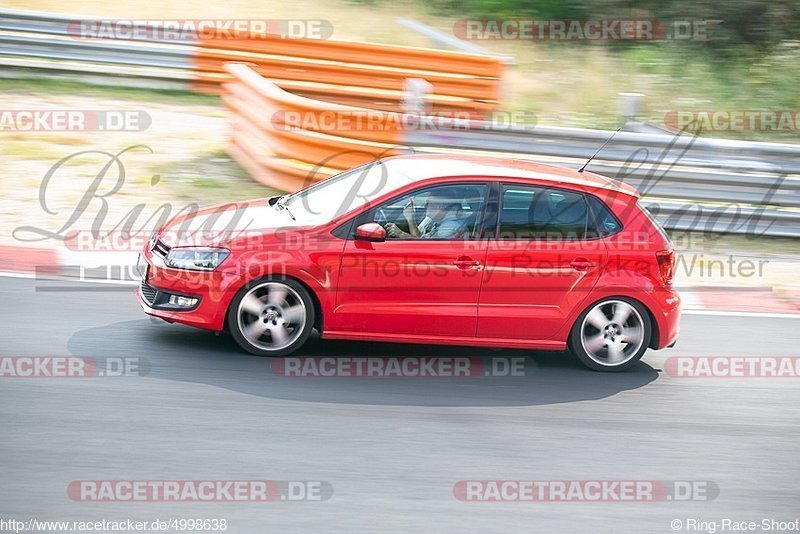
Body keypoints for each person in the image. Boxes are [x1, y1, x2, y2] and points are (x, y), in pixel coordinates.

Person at [385, 190, 467, 239]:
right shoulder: (434, 218)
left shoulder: (450, 227)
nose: (425, 206)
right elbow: (419, 238)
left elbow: (423, 246)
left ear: (438, 206)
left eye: (428, 203)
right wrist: (410, 218)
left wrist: (400, 233)